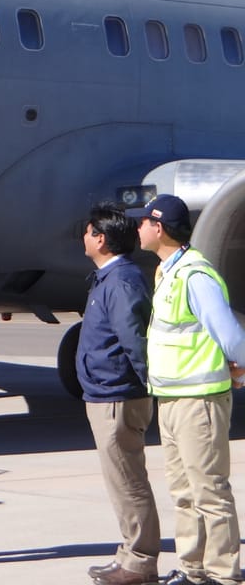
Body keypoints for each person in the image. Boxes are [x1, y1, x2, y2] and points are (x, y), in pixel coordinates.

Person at [126, 194, 245, 585]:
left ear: (158, 228)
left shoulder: (195, 275)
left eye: (144, 221)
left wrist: (241, 367)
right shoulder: (169, 272)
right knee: (183, 491)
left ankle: (223, 574)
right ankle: (193, 570)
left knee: (210, 491)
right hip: (172, 399)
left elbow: (230, 334)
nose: (138, 227)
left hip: (199, 401)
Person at [78, 203, 160, 585]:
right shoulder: (108, 278)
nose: (83, 237)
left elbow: (135, 340)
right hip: (105, 393)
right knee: (120, 481)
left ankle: (140, 561)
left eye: (88, 231)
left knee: (128, 481)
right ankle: (130, 553)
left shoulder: (121, 281)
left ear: (101, 239)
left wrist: (150, 385)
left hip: (118, 398)